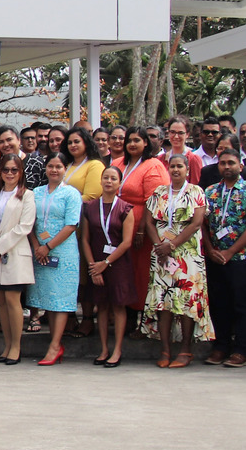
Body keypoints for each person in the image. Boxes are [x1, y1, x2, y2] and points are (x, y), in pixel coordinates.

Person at [141, 154, 211, 369]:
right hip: (161, 253)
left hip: (186, 254)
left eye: (180, 166)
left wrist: (172, 245)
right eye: (172, 166)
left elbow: (196, 222)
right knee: (163, 300)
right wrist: (159, 246)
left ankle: (185, 348)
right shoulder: (159, 192)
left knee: (186, 299)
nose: (176, 170)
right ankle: (165, 348)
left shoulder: (196, 191)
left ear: (187, 169)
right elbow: (149, 222)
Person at [202, 150, 246, 367]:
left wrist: (230, 252)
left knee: (241, 303)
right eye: (222, 163)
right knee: (219, 303)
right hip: (215, 256)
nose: (227, 167)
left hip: (241, 256)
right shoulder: (210, 192)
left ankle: (242, 349)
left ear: (240, 165)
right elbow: (203, 224)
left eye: (231, 163)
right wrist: (210, 250)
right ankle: (221, 345)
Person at [25, 155, 82, 366]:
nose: (54, 170)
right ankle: (53, 341)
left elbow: (71, 225)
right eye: (51, 166)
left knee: (61, 298)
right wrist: (36, 246)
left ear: (65, 169)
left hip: (62, 251)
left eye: (59, 166)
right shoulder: (36, 193)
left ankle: (55, 345)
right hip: (39, 250)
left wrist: (48, 246)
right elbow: (29, 222)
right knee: (48, 296)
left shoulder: (71, 194)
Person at [78, 166, 136, 367]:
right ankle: (103, 348)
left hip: (118, 264)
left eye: (113, 178)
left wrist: (106, 263)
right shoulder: (90, 207)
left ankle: (117, 349)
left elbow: (127, 242)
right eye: (106, 178)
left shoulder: (126, 208)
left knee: (118, 306)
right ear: (100, 181)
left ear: (120, 183)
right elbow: (85, 239)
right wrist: (94, 266)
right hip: (96, 263)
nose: (109, 181)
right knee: (101, 306)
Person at [0, 159, 36, 365]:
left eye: (14, 170)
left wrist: (1, 246)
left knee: (13, 301)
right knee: (1, 303)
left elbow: (25, 226)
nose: (10, 173)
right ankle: (7, 345)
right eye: (6, 169)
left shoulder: (28, 195)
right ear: (0, 172)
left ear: (21, 172)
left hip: (15, 253)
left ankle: (16, 346)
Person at [108, 127, 168, 294]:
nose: (132, 144)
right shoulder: (118, 162)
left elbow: (154, 202)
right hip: (115, 224)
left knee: (138, 269)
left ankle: (138, 310)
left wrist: (141, 230)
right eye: (129, 140)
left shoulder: (153, 165)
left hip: (139, 228)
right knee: (119, 269)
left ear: (146, 142)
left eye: (137, 140)